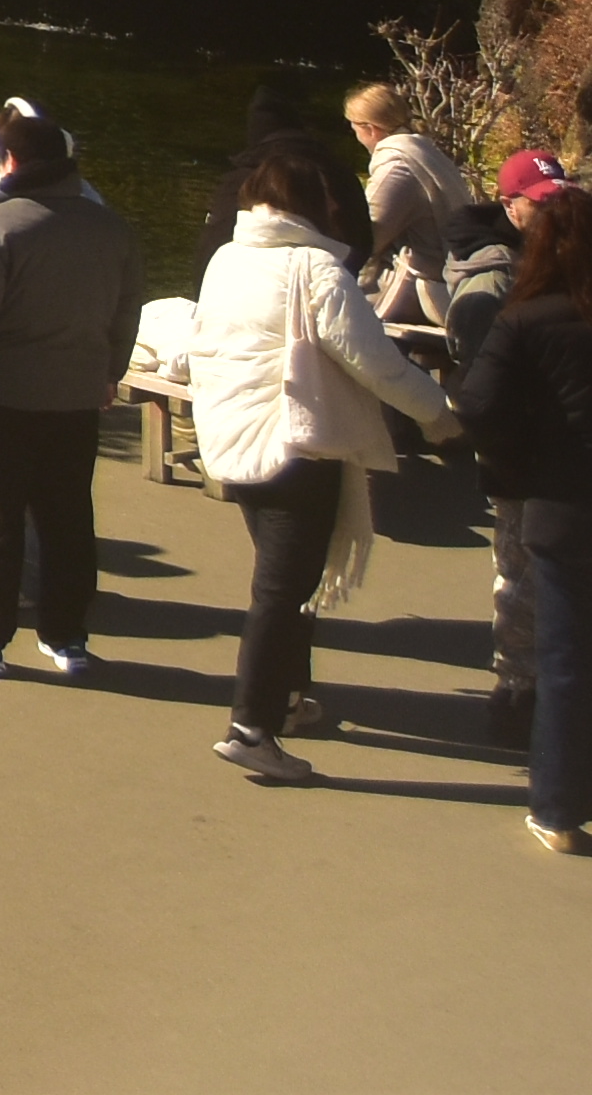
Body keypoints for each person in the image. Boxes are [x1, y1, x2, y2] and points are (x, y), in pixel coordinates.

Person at [188, 135, 451, 780]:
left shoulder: (227, 259)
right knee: (281, 594)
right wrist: (441, 416)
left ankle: (286, 699)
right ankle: (251, 728)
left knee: (286, 586)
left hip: (233, 441)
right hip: (297, 447)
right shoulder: (317, 271)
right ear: (311, 205)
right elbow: (377, 364)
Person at [0, 96, 137, 678]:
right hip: (75, 395)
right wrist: (110, 372)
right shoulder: (109, 227)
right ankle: (67, 637)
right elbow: (124, 311)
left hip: (2, 395)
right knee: (68, 517)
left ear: (9, 161)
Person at [454, 186, 592, 855]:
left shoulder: (522, 321)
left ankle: (557, 808)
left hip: (560, 504)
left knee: (563, 662)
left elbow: (478, 406)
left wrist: (517, 460)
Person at [348, 84, 458, 316]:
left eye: (355, 129)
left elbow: (366, 238)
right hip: (443, 273)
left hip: (424, 286)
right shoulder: (425, 151)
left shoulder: (397, 168)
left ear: (371, 130)